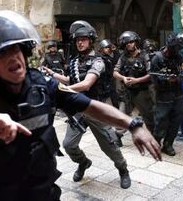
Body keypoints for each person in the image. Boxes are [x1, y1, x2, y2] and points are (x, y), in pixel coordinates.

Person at [0, 11, 161, 201]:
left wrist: (132, 123)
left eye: (16, 49)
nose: (13, 58)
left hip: (39, 190)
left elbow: (91, 105)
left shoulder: (42, 85)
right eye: (1, 53)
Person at [44, 21, 137, 189]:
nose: (80, 42)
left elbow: (86, 84)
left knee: (109, 145)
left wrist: (61, 90)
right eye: (78, 39)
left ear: (91, 40)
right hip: (77, 109)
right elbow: (70, 80)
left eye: (84, 39)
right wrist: (52, 75)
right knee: (69, 145)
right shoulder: (73, 60)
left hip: (95, 108)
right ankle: (83, 162)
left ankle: (123, 169)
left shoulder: (98, 61)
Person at [150, 34, 183, 156]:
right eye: (176, 49)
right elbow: (153, 78)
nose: (178, 52)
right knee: (161, 120)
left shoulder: (177, 55)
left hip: (178, 93)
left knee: (176, 120)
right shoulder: (157, 58)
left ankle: (168, 144)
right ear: (169, 47)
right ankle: (155, 144)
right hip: (164, 95)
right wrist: (165, 80)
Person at [113, 31, 155, 133]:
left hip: (141, 91)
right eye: (127, 43)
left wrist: (137, 80)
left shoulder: (144, 55)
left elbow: (151, 74)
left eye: (131, 42)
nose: (129, 44)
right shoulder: (123, 57)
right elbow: (115, 72)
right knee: (121, 116)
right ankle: (118, 136)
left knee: (148, 116)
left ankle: (154, 138)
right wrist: (123, 78)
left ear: (135, 42)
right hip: (127, 91)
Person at [99, 39, 119, 109]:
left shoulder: (111, 56)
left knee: (114, 97)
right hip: (102, 81)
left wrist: (115, 50)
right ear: (102, 49)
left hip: (110, 80)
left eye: (109, 47)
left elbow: (117, 60)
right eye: (106, 47)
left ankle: (117, 111)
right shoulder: (99, 57)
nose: (108, 49)